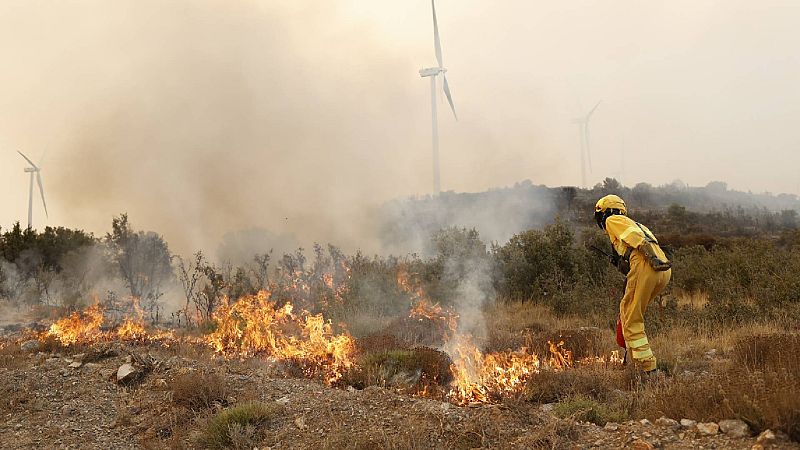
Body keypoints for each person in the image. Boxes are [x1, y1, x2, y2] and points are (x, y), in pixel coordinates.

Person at [594, 194, 671, 373]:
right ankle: (634, 361)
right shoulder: (637, 223)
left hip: (647, 264)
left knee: (630, 318)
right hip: (663, 269)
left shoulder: (613, 219)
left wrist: (648, 258)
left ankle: (647, 369)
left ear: (604, 212)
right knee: (630, 312)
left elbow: (636, 239)